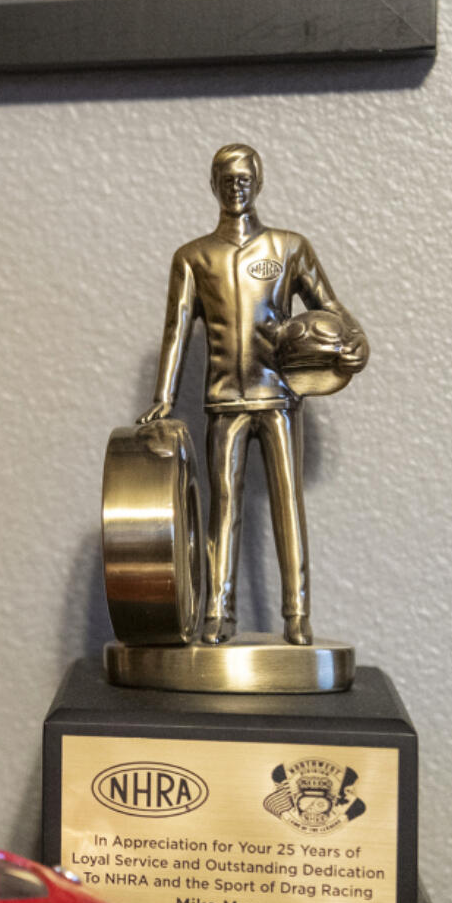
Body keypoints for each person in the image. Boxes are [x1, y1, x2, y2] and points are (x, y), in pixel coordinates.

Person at [138, 144, 365, 647]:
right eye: (226, 178)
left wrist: (351, 347)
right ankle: (218, 613)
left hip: (280, 397)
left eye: (243, 178)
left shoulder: (289, 248)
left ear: (257, 182)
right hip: (224, 400)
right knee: (223, 507)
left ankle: (298, 615)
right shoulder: (193, 257)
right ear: (213, 184)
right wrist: (163, 396)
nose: (235, 186)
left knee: (288, 502)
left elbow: (331, 309)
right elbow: (176, 330)